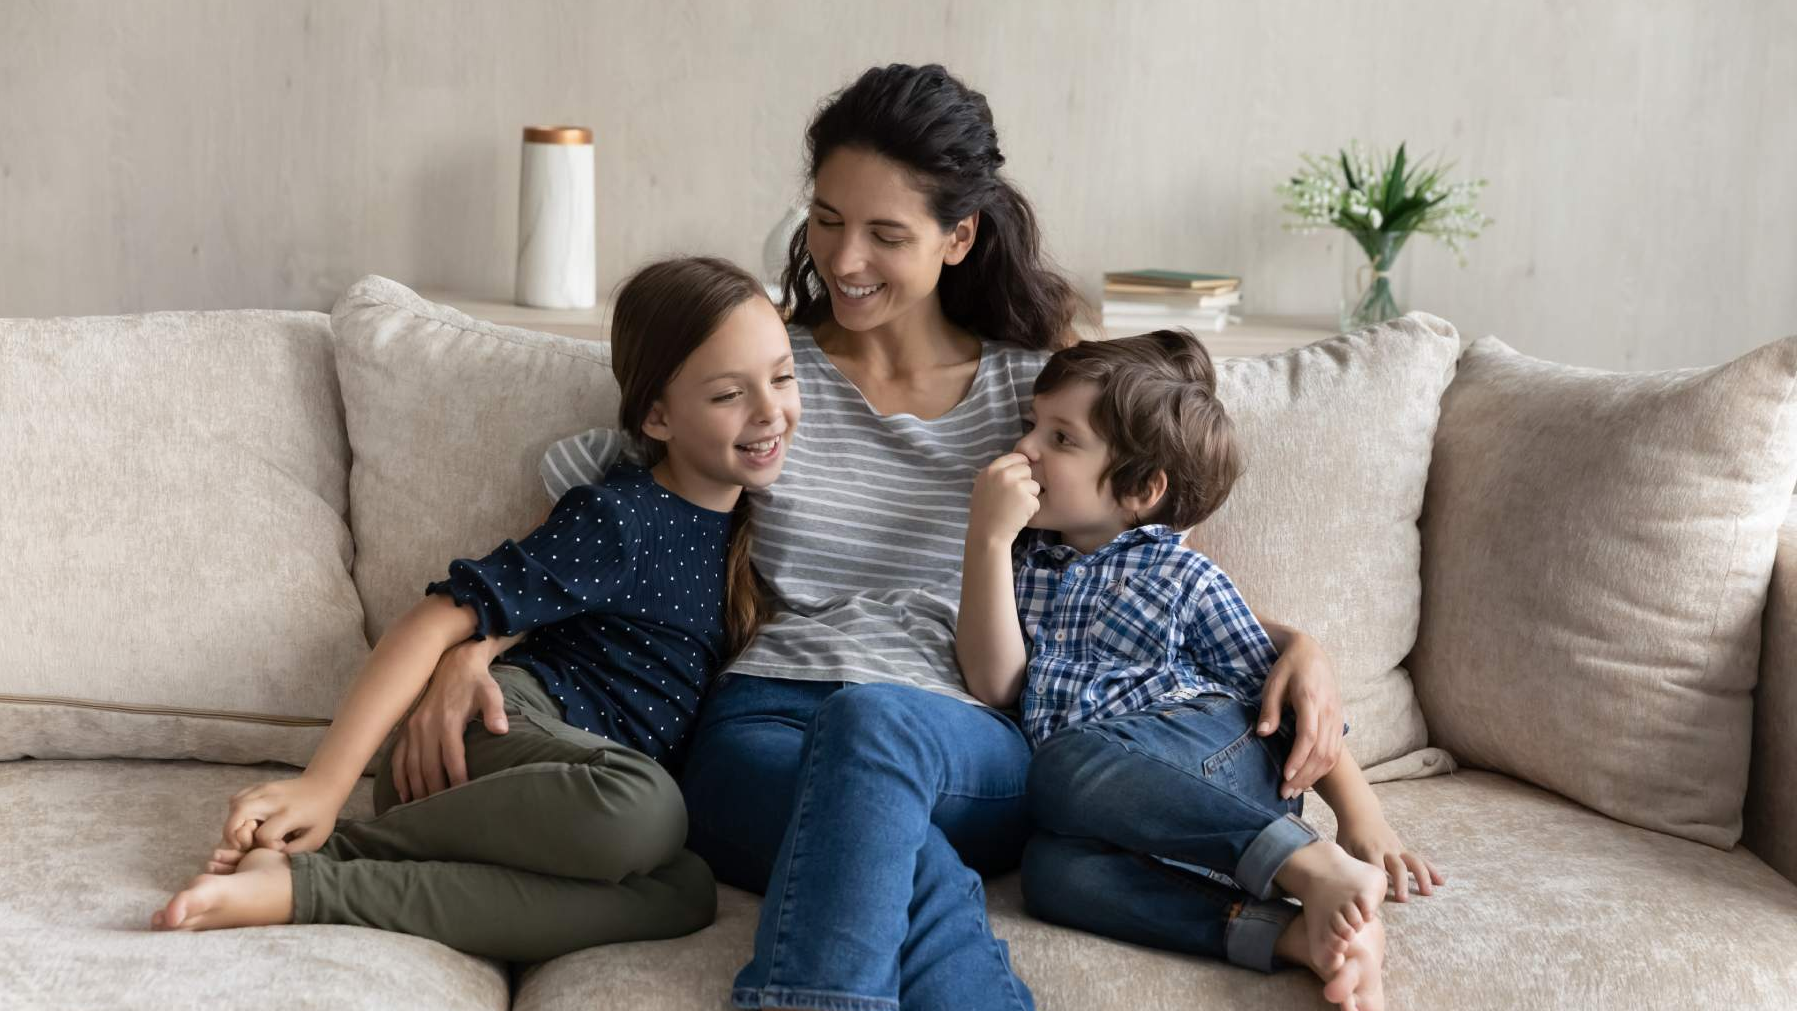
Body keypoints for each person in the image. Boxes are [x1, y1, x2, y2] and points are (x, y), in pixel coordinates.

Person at [397, 64, 1348, 1011]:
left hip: (962, 746)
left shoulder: (1038, 396)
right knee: (907, 862)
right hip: (760, 732)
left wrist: (1288, 642)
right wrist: (473, 643)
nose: (844, 259)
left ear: (958, 236)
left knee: (877, 724)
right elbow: (603, 525)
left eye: (886, 234)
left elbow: (1122, 562)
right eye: (826, 219)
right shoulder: (764, 367)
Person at [149, 256, 800, 963]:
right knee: (647, 806)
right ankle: (328, 844)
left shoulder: (745, 531)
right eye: (729, 394)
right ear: (657, 414)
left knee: (683, 890)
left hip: (564, 810)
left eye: (783, 377)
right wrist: (325, 783)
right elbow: (437, 617)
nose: (769, 411)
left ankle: (308, 888)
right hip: (476, 746)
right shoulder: (621, 517)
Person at [956, 330, 1445, 1011]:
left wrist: (1361, 819)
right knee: (1050, 872)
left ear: (1140, 488)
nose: (1025, 449)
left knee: (1064, 764)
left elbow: (1290, 703)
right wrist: (988, 538)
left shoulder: (1180, 574)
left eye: (1061, 439)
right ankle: (1295, 936)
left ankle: (1311, 862)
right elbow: (996, 685)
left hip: (1221, 755)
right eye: (1028, 426)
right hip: (1129, 801)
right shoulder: (1022, 564)